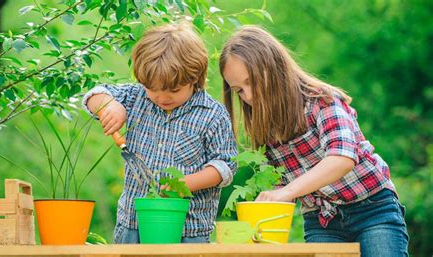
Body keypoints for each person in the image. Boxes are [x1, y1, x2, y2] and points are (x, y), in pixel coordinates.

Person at [219, 25, 409, 256]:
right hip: (322, 222)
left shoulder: (321, 101)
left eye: (251, 82)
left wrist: (287, 192)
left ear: (273, 67)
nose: (247, 96)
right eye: (238, 90)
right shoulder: (264, 128)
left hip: (372, 209)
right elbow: (280, 188)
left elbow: (342, 157)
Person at [83, 23, 237, 243]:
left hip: (188, 230)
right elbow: (93, 95)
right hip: (133, 226)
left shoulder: (212, 114)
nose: (162, 97)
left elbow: (225, 166)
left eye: (173, 90)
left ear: (194, 77)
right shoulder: (136, 98)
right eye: (152, 89)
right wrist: (109, 105)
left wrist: (184, 184)